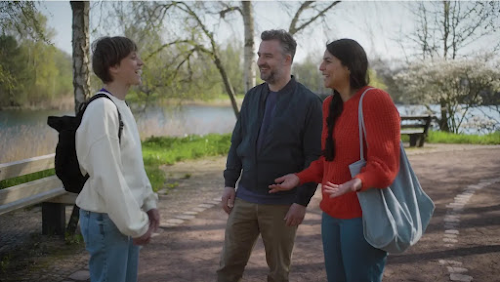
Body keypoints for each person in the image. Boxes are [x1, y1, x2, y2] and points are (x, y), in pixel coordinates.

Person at [268, 39, 401, 282]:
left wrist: (356, 182)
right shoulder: (330, 105)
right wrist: (299, 177)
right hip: (331, 213)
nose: (320, 67)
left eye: (328, 61)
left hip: (362, 215)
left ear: (349, 66)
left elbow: (385, 166)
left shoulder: (375, 100)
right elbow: (328, 161)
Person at [217, 29, 323, 282]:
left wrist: (301, 201)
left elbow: (314, 156)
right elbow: (237, 143)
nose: (261, 61)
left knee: (278, 273)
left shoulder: (309, 103)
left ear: (287, 60)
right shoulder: (253, 96)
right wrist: (230, 183)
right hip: (244, 199)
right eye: (259, 55)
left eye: (268, 56)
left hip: (282, 204)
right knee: (227, 268)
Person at [75, 36, 160, 282]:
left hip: (122, 218)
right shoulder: (102, 109)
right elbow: (107, 176)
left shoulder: (120, 106)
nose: (140, 62)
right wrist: (135, 224)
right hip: (107, 220)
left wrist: (149, 203)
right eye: (133, 57)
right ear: (114, 67)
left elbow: (132, 166)